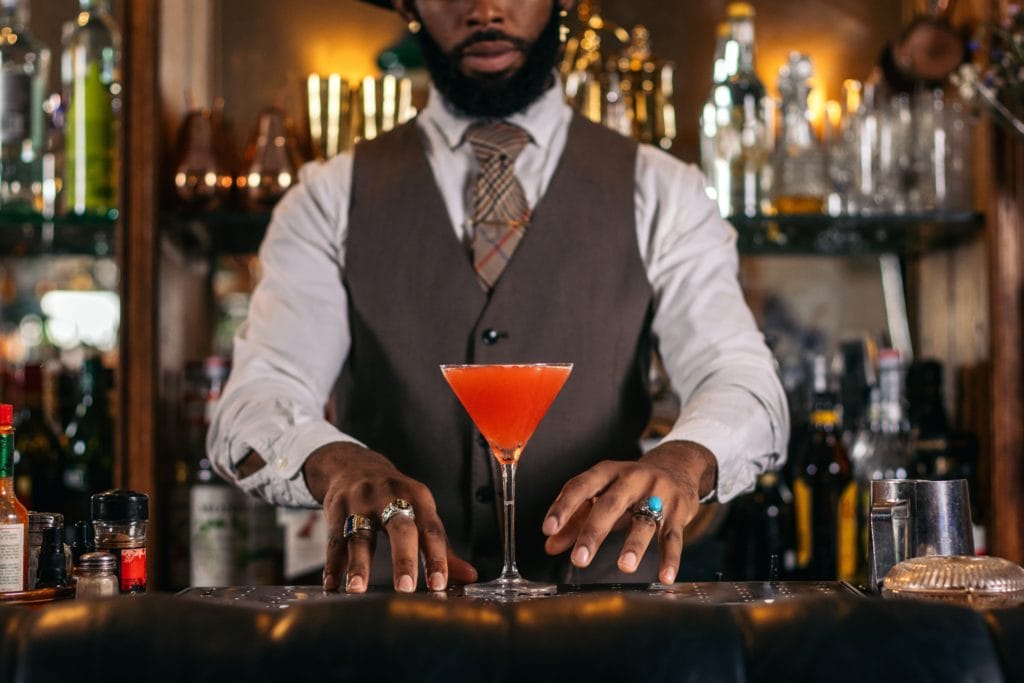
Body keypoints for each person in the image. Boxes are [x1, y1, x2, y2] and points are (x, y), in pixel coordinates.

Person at [207, 0, 789, 594]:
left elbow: (741, 380)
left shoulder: (664, 192)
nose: (485, 10)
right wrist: (333, 462)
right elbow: (256, 398)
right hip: (389, 621)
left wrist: (683, 461)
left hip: (605, 623)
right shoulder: (327, 200)